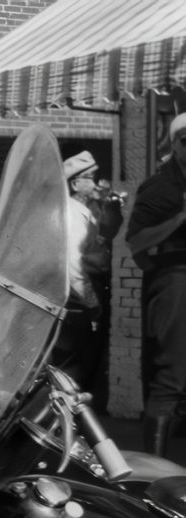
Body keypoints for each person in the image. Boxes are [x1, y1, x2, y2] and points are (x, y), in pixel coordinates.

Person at [127, 112, 186, 457]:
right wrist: (181, 217)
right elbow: (136, 241)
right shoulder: (159, 186)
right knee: (172, 375)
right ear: (175, 144)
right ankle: (153, 471)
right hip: (176, 278)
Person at [52, 150, 106, 390]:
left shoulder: (79, 210)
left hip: (73, 300)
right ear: (75, 183)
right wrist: (91, 303)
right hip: (76, 302)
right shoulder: (74, 214)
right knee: (74, 370)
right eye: (90, 178)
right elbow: (74, 265)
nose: (95, 184)